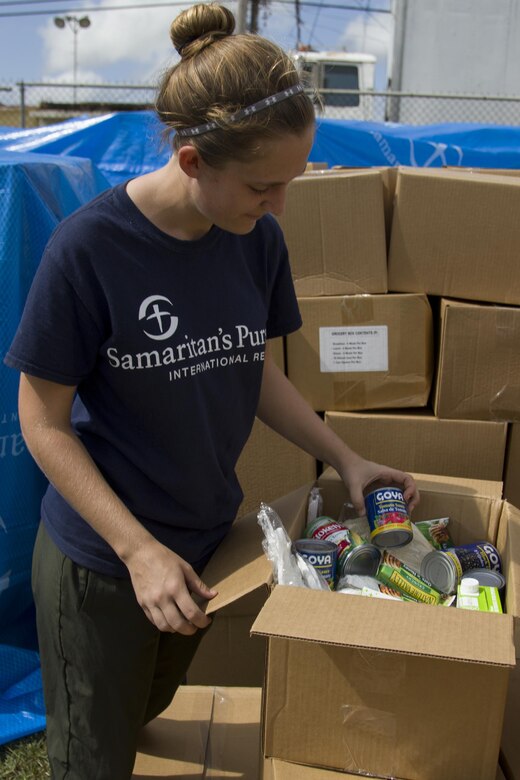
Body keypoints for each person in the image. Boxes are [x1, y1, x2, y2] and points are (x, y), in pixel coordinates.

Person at [4, 4, 419, 778]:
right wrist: (139, 554)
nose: (281, 207)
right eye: (265, 186)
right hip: (105, 562)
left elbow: (250, 367)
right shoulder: (90, 250)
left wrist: (345, 460)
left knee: (144, 710)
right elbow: (42, 422)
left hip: (202, 543)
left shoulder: (253, 237)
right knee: (91, 759)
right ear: (193, 161)